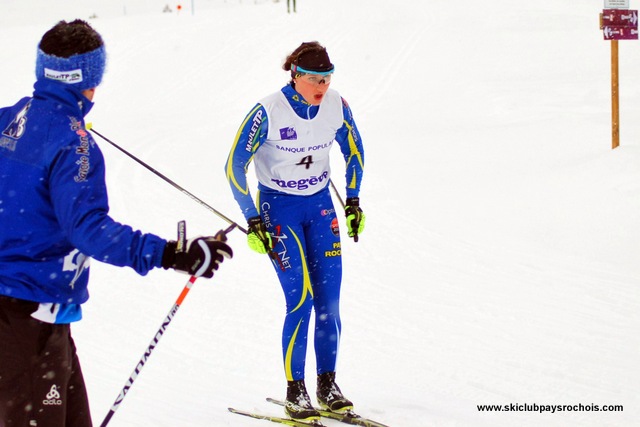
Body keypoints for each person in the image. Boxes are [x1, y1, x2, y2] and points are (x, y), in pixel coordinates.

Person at [0, 20, 233, 427]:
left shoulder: (8, 117)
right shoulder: (74, 143)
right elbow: (88, 230)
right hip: (27, 321)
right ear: (86, 80)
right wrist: (170, 253)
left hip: (32, 321)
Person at [224, 41, 365, 422]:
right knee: (300, 300)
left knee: (329, 303)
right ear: (296, 75)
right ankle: (295, 391)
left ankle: (327, 384)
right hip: (279, 210)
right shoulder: (267, 110)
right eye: (315, 78)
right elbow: (234, 166)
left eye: (327, 77)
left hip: (320, 208)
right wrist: (252, 218)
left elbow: (354, 150)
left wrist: (352, 201)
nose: (322, 85)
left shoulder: (336, 104)